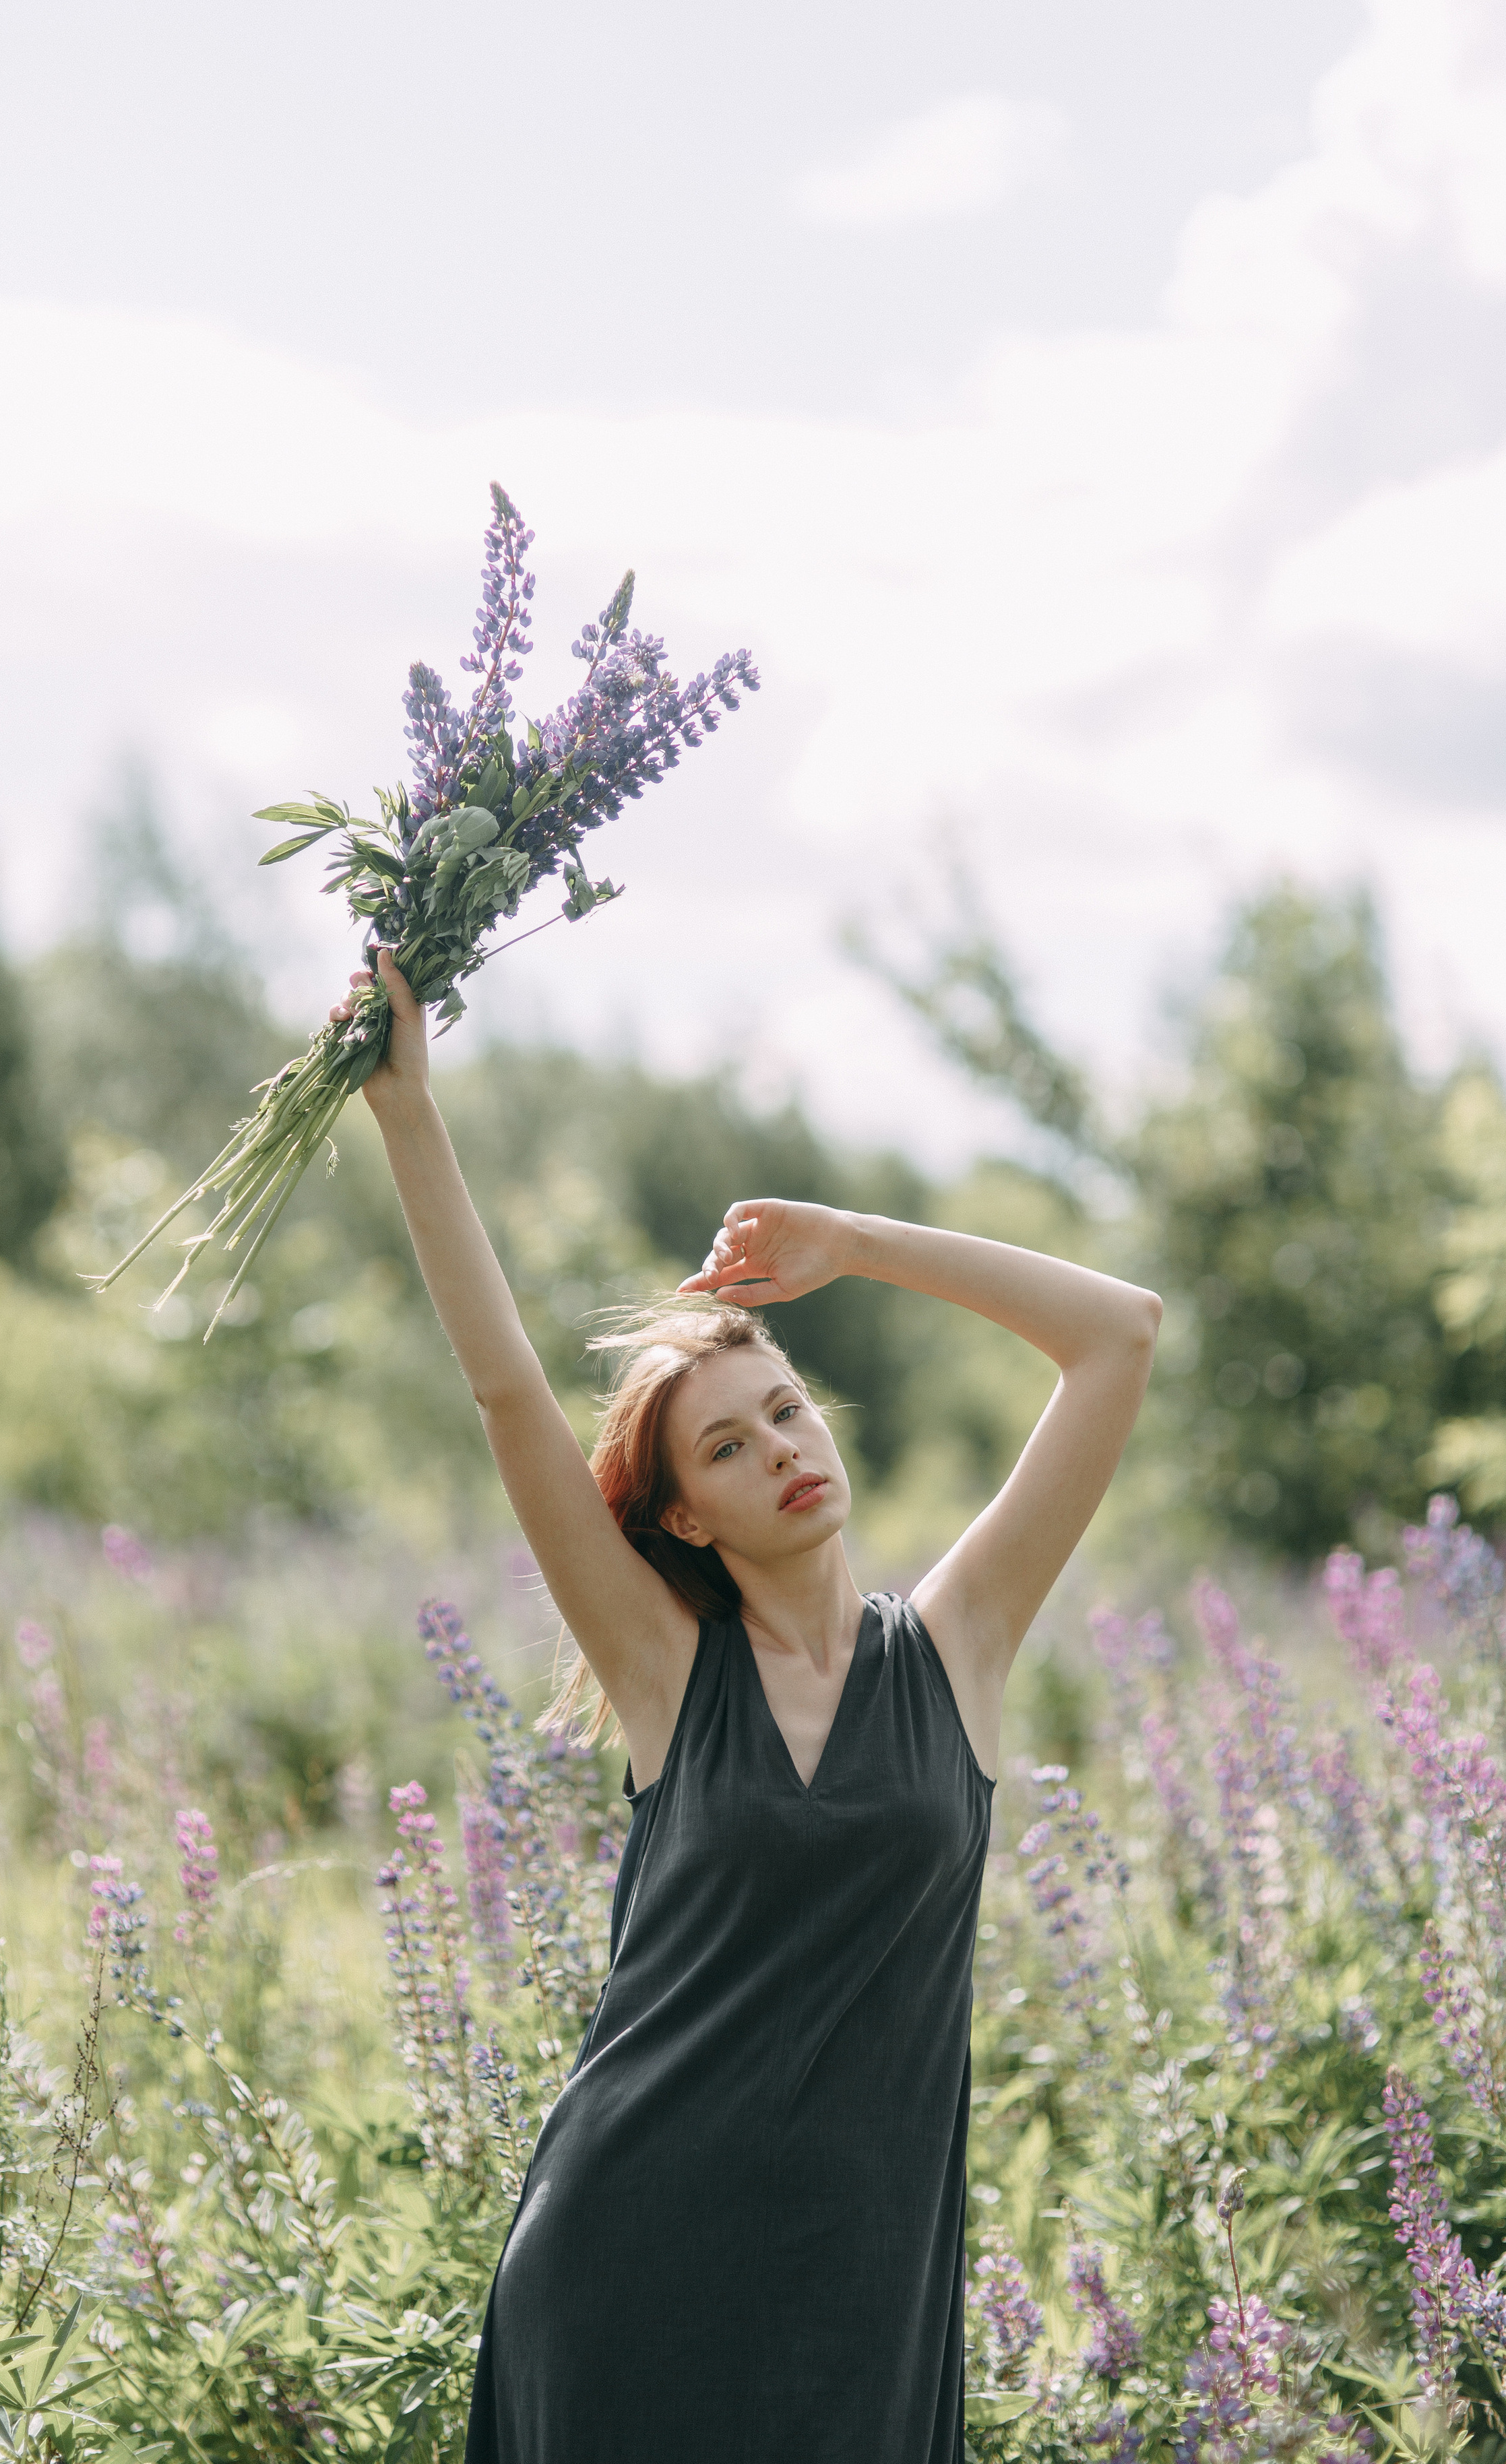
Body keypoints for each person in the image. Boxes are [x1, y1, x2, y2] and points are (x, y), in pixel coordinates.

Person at [351, 948, 1162, 2464]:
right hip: (625, 2261)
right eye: (724, 1450)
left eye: (785, 1408)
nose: (779, 1447)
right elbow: (511, 1395)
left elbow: (1115, 1332)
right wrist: (408, 1112)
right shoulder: (664, 1673)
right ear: (684, 1521)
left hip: (864, 2294)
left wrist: (852, 1241)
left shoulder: (958, 1646)